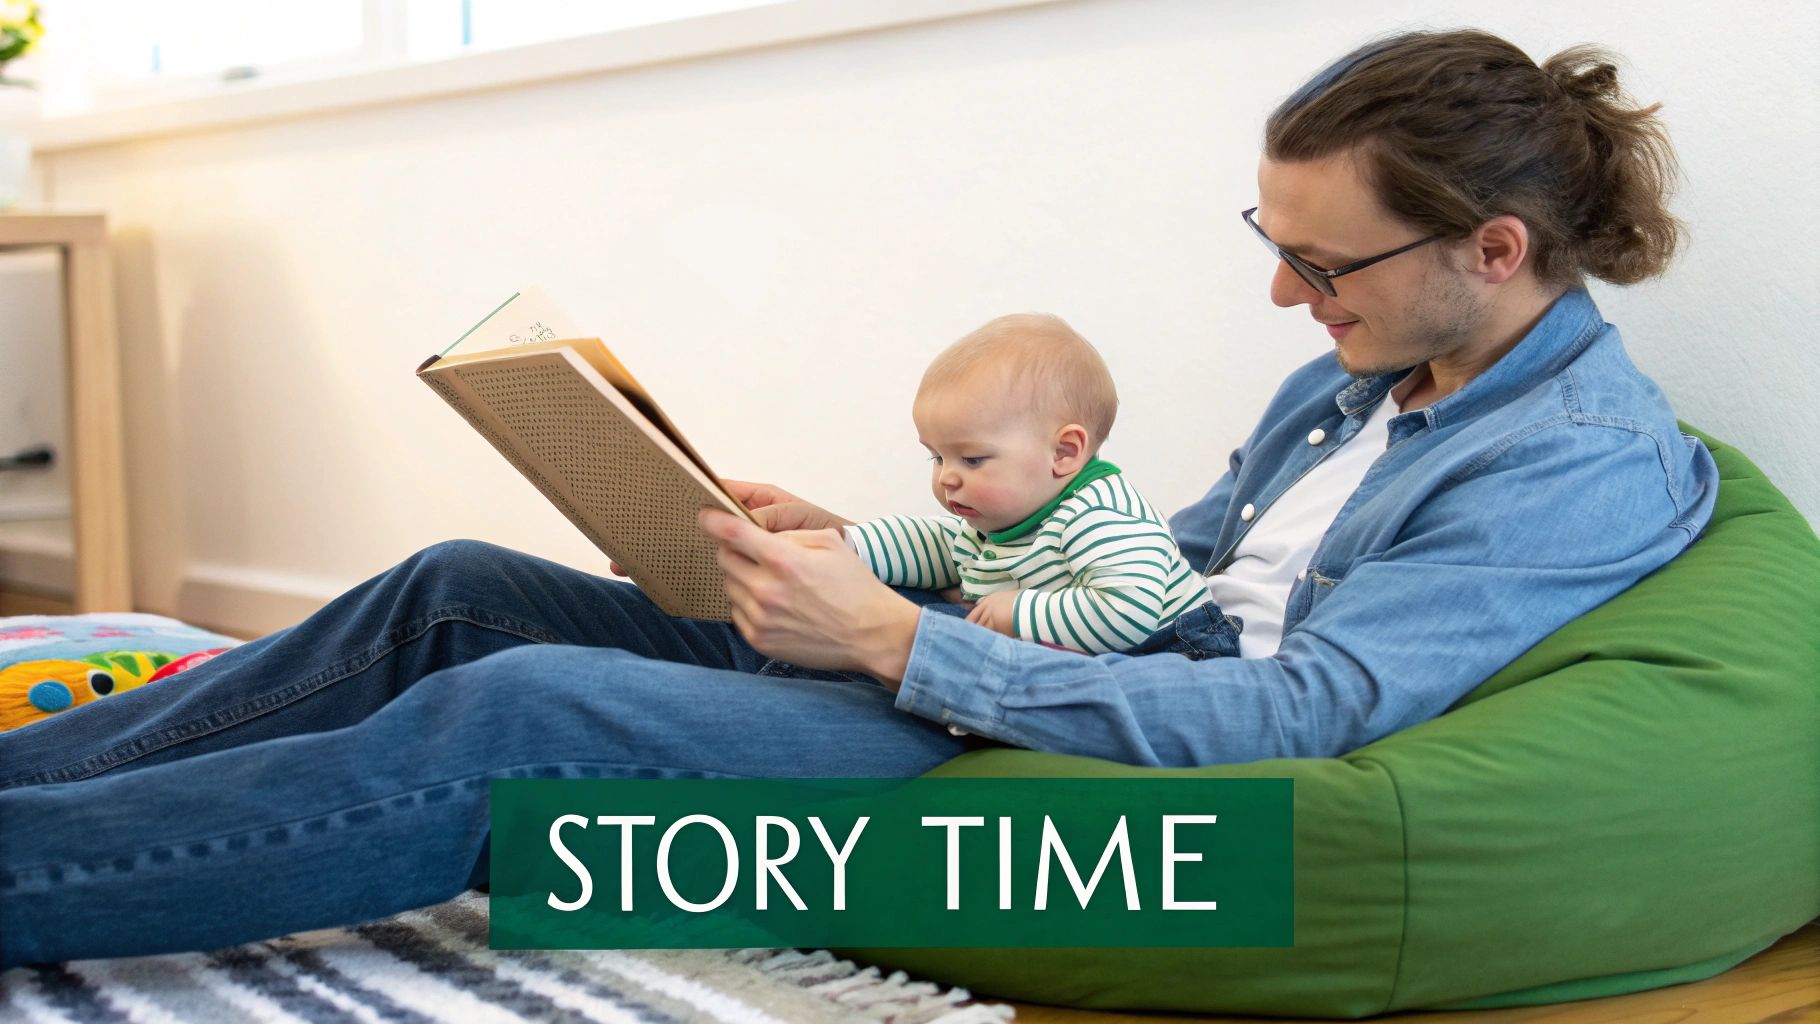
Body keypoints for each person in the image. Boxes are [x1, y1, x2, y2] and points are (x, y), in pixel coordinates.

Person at [0, 28, 1718, 967]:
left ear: (1494, 251)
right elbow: (1164, 559)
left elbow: (1304, 705)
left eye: (1324, 263)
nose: (1287, 302)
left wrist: (908, 642)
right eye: (1275, 252)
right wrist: (872, 548)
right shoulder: (1364, 379)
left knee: (521, 711)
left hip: (1061, 754)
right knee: (458, 582)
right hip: (1008, 661)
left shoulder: (1574, 468)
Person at [843, 311, 1226, 655]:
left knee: (916, 632)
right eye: (937, 457)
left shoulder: (1099, 515)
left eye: (972, 459)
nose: (946, 476)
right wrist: (853, 546)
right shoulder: (1011, 513)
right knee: (885, 601)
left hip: (1171, 653)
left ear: (1063, 452)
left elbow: (1127, 610)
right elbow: (943, 547)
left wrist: (1018, 611)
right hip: (1097, 650)